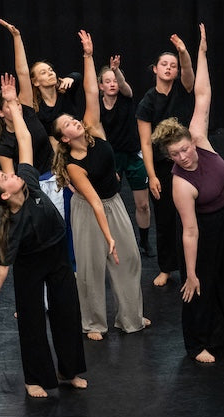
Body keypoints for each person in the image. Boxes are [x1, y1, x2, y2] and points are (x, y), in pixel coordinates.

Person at [0, 74, 86, 398]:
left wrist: (12, 104)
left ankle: (69, 370)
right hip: (30, 266)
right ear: (5, 195)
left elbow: (24, 139)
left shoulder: (29, 181)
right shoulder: (12, 226)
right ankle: (35, 378)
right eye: (4, 177)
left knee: (67, 311)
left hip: (57, 254)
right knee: (32, 321)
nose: (11, 174)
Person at [153, 23, 224, 363]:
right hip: (204, 227)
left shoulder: (199, 137)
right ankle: (198, 343)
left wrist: (201, 51)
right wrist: (191, 271)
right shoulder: (180, 183)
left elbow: (203, 94)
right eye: (175, 155)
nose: (184, 156)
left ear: (189, 140)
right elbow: (190, 230)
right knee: (200, 284)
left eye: (184, 149)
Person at [51, 30, 150, 341]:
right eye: (68, 124)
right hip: (88, 211)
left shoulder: (93, 128)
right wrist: (109, 237)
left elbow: (91, 92)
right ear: (64, 138)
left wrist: (89, 55)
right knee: (91, 268)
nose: (74, 121)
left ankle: (130, 316)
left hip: (114, 203)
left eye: (73, 119)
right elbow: (93, 201)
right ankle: (93, 322)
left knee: (129, 259)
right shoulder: (72, 165)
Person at [136, 31, 195, 287]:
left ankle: (193, 266)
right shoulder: (147, 102)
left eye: (173, 65)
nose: (169, 68)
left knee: (190, 215)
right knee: (165, 218)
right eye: (164, 64)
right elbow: (145, 143)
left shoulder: (183, 89)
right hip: (162, 167)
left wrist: (183, 52)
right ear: (155, 69)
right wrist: (151, 175)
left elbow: (189, 72)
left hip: (188, 163)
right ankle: (167, 267)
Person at [0, 18, 59, 213]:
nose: (16, 106)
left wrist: (17, 37)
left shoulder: (26, 110)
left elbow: (23, 73)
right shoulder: (5, 145)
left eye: (17, 102)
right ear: (1, 112)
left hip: (58, 177)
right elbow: (11, 184)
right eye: (10, 105)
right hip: (36, 189)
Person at [98, 55, 153, 257]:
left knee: (143, 204)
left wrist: (116, 70)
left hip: (133, 155)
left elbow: (125, 87)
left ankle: (144, 242)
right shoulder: (97, 106)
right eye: (108, 81)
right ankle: (111, 241)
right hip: (112, 158)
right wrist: (108, 164)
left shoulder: (126, 97)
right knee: (109, 203)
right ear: (101, 86)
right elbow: (100, 134)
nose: (112, 84)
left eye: (115, 80)